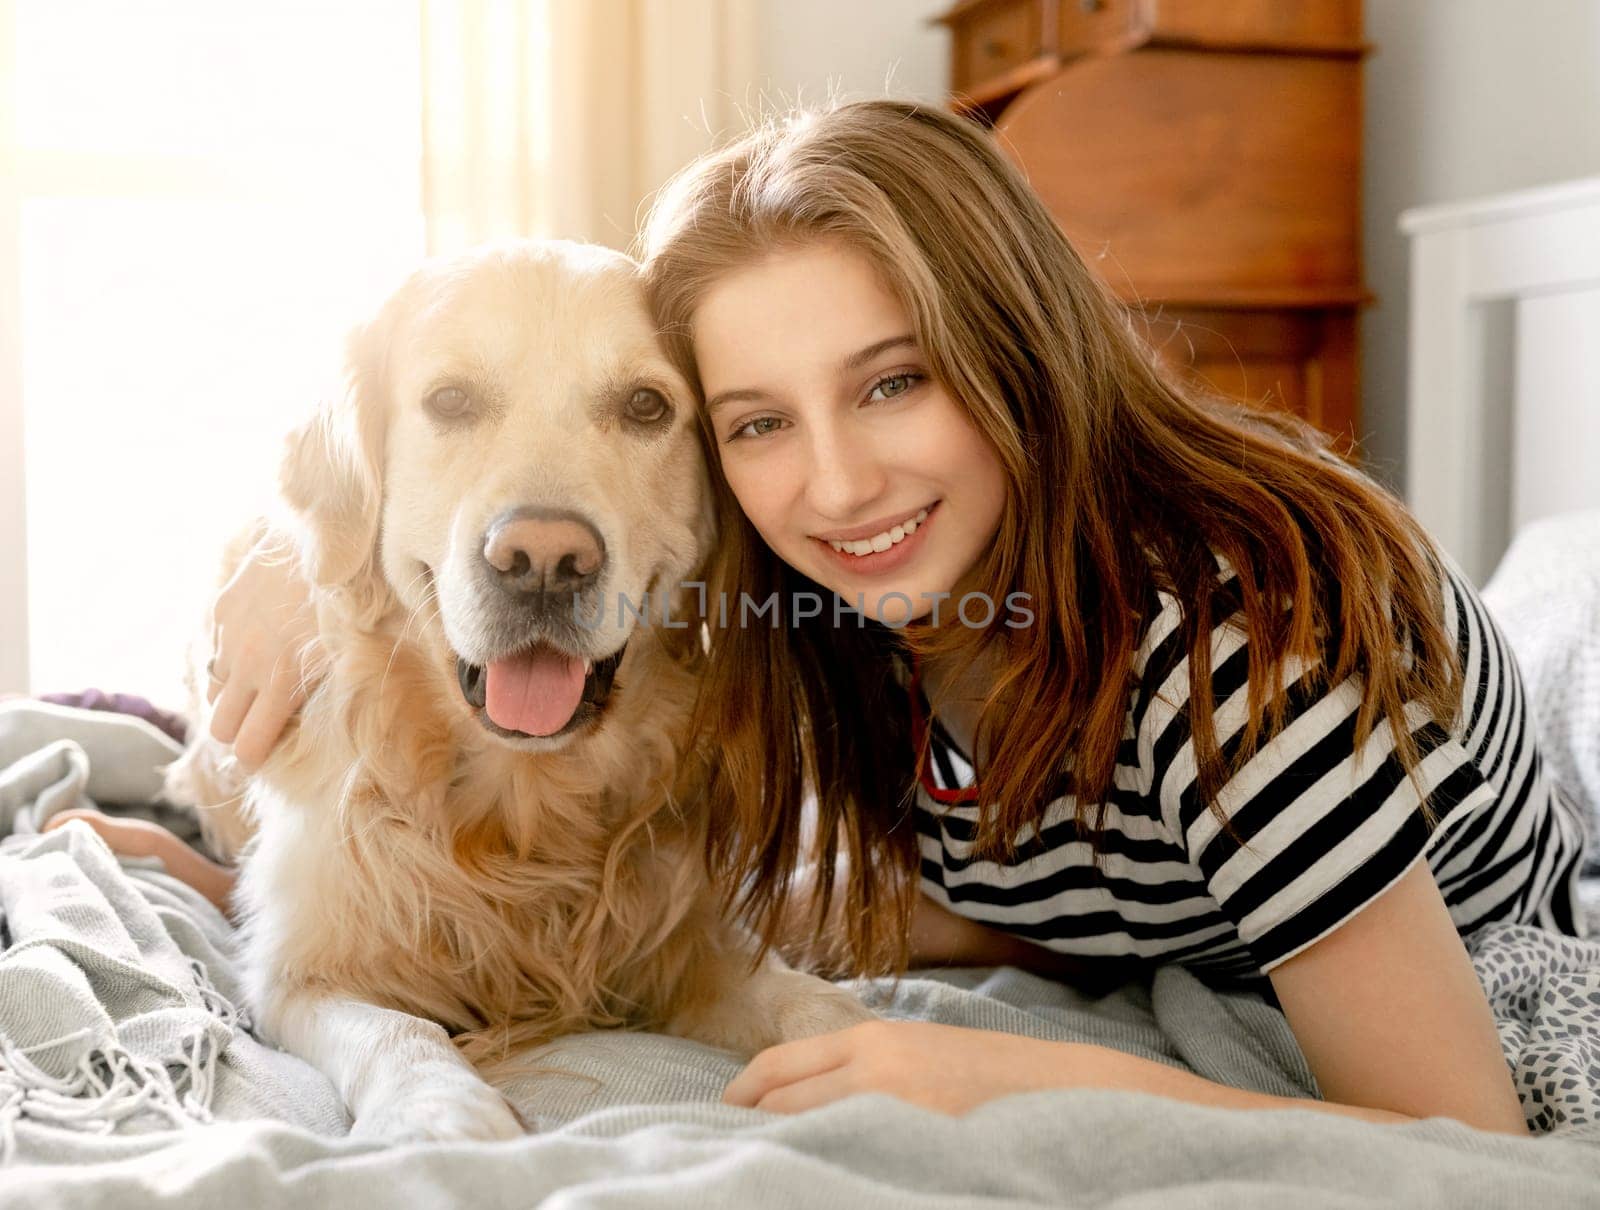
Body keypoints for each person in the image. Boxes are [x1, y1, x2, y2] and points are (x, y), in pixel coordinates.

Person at [203, 100, 1588, 1135]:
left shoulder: (1229, 651)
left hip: (1436, 984)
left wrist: (1016, 1066)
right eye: (758, 420)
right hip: (1153, 912)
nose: (840, 481)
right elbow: (500, 453)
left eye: (893, 382)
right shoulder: (834, 597)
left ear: (1014, 349)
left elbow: (1457, 1137)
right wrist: (289, 556)